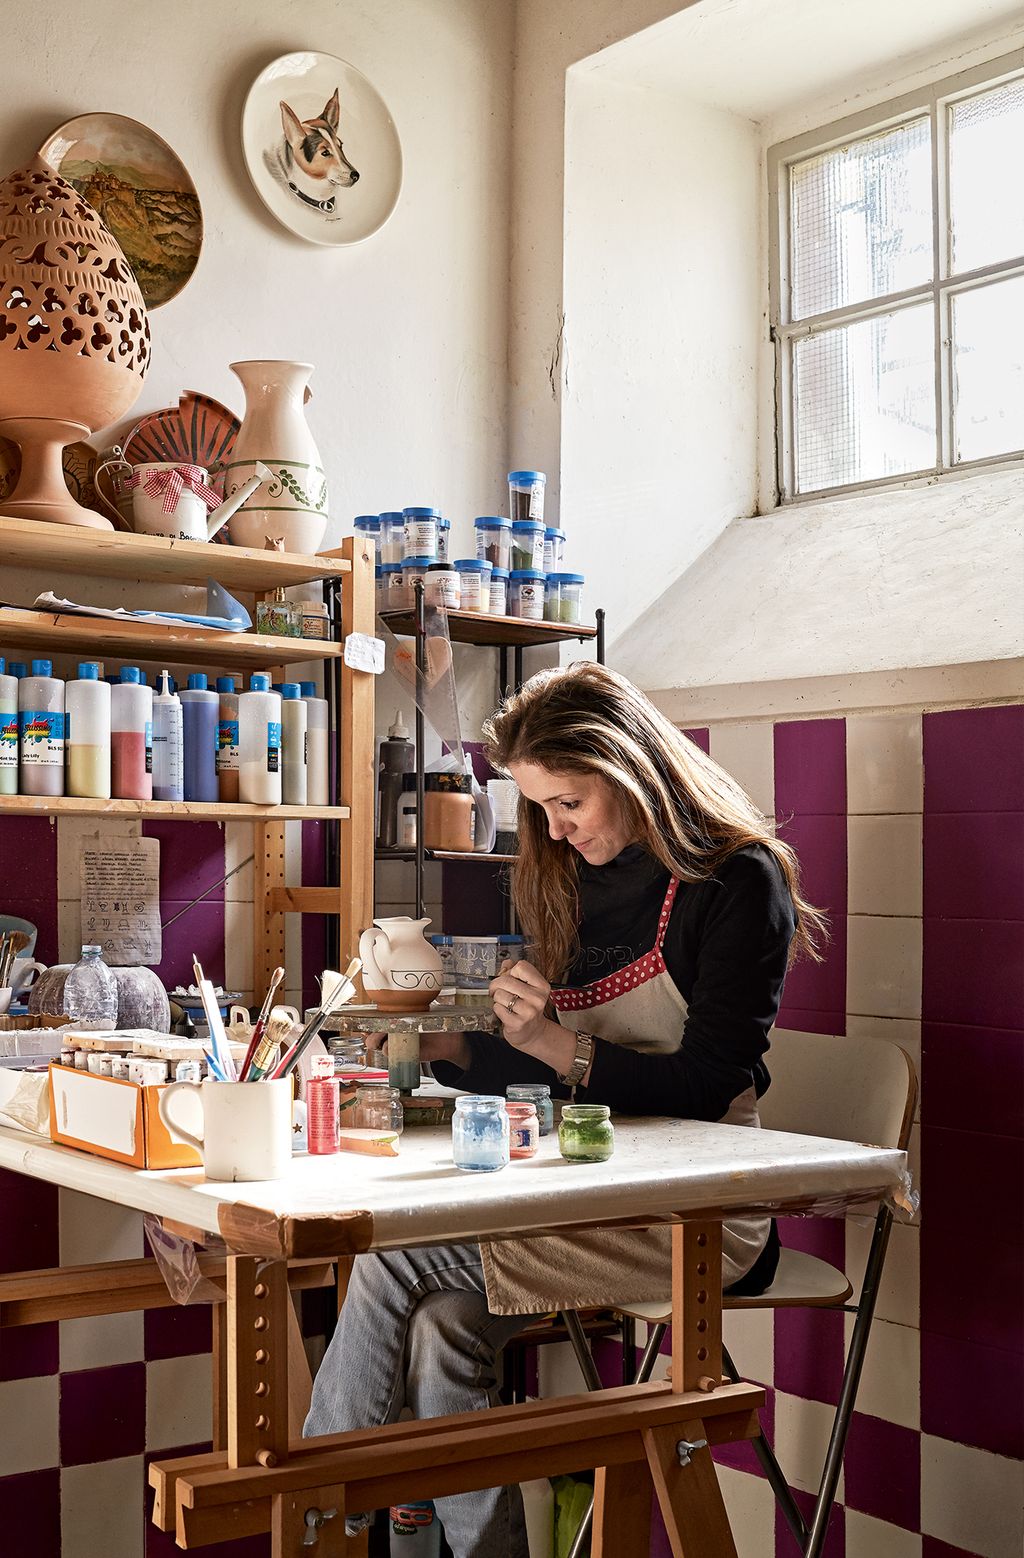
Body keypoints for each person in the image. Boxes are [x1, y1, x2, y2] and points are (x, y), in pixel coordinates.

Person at [305, 661, 826, 1557]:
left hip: (701, 1210)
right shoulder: (573, 873)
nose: (553, 828)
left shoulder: (739, 881)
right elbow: (555, 1080)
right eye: (539, 807)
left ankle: (317, 1506)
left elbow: (706, 1084)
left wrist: (557, 1044)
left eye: (570, 803)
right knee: (437, 1333)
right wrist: (454, 1049)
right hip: (587, 1181)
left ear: (630, 769)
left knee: (392, 1261)